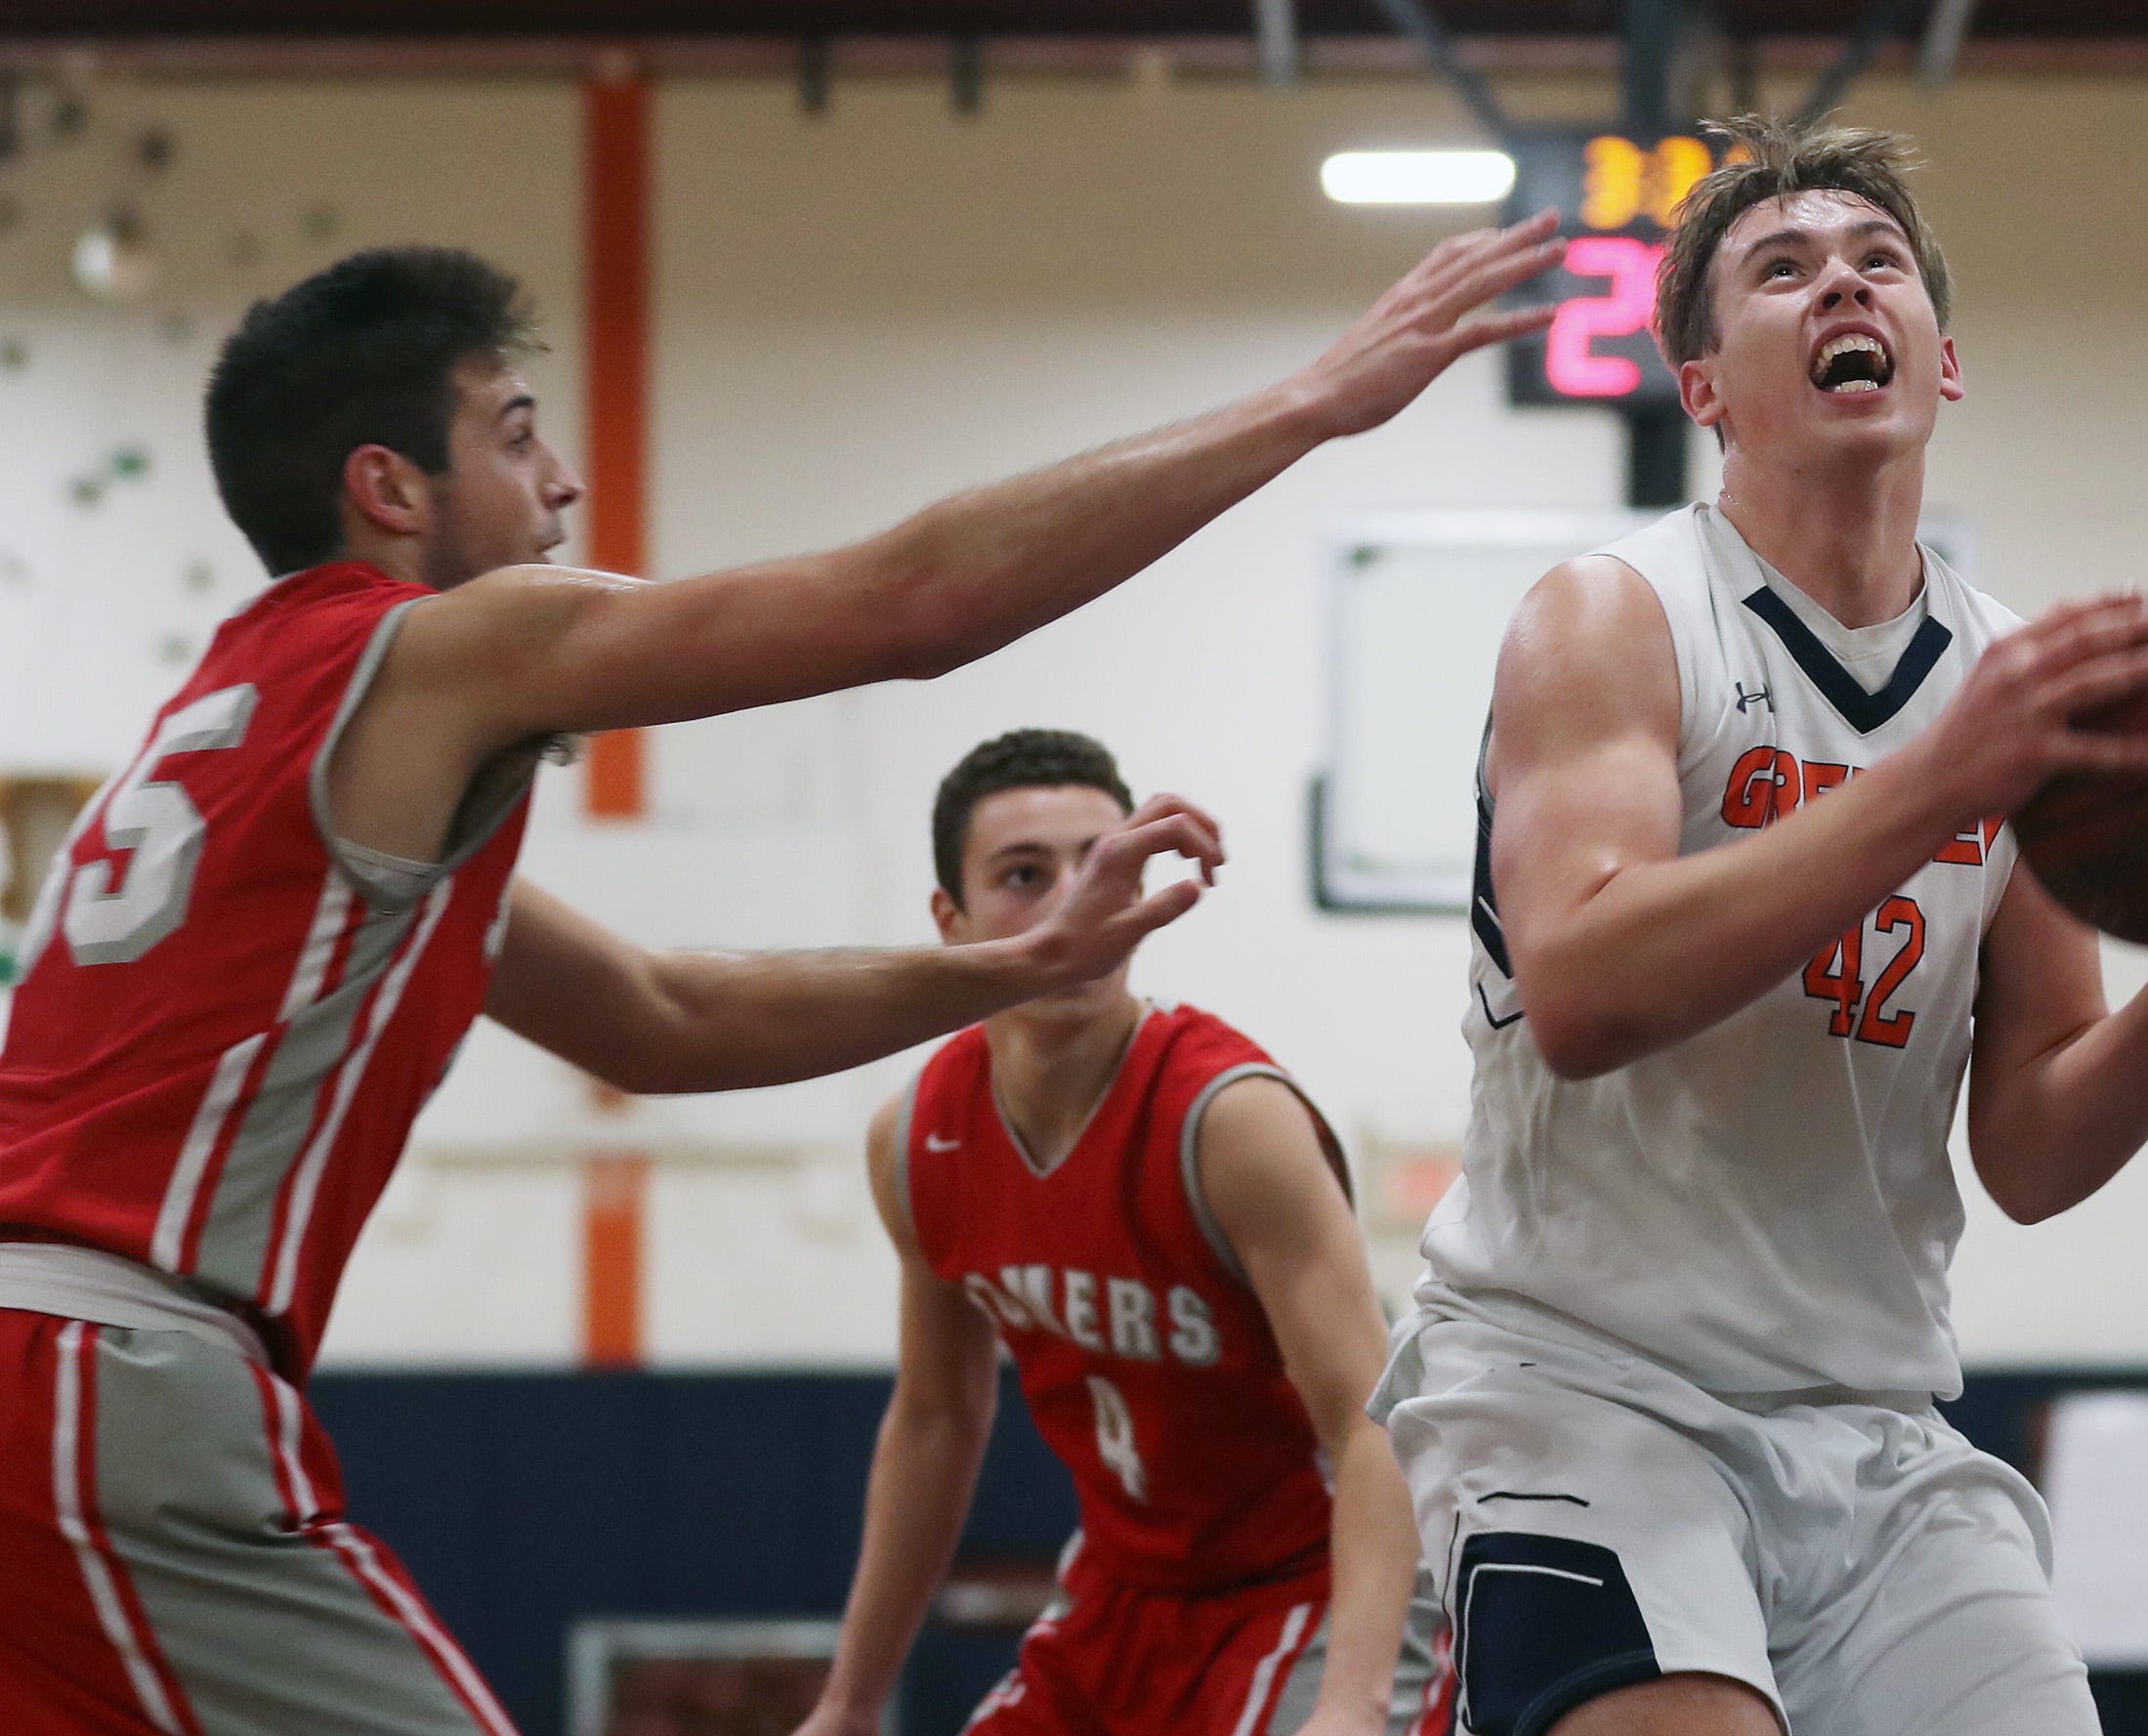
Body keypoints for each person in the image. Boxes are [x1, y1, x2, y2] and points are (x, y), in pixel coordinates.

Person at [0, 218, 1562, 1736]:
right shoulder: (430, 648)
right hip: (100, 1373)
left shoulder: (239, 730)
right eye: (517, 434)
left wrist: (1014, 964)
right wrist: (1311, 404)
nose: (563, 483)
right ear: (389, 488)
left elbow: (662, 1020)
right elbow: (911, 602)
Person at [1369, 117, 2148, 1736]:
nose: (1842, 280)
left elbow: (2032, 1146)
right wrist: (1937, 785)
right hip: (1580, 1390)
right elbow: (1584, 987)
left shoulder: (2013, 681)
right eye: (1782, 269)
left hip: (1873, 1421)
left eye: (1877, 260)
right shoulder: (1613, 616)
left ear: (1941, 360)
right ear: (1702, 385)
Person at [793, 730, 1447, 1736]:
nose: (1078, 902)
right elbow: (935, 1418)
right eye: (1025, 875)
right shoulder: (918, 1138)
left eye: (1103, 867)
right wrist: (848, 1701)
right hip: (1123, 1591)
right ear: (950, 921)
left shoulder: (1229, 1119)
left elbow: (1371, 1422)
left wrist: (1353, 1705)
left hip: (1314, 1585)